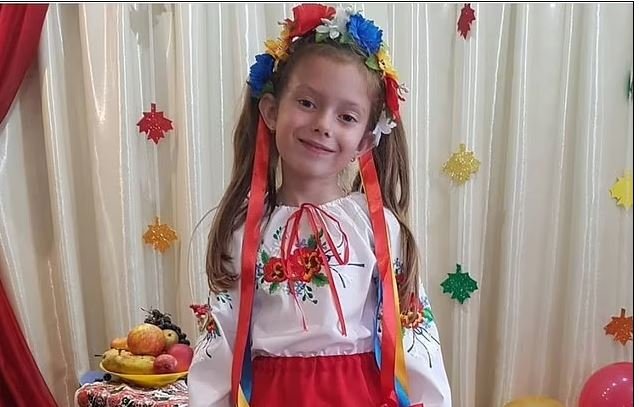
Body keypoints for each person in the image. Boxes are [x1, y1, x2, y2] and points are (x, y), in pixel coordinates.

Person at [188, 4, 452, 407]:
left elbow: (414, 336)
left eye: (346, 116)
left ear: (366, 139)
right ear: (271, 111)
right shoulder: (244, 230)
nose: (323, 125)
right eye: (307, 103)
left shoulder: (377, 226)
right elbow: (219, 346)